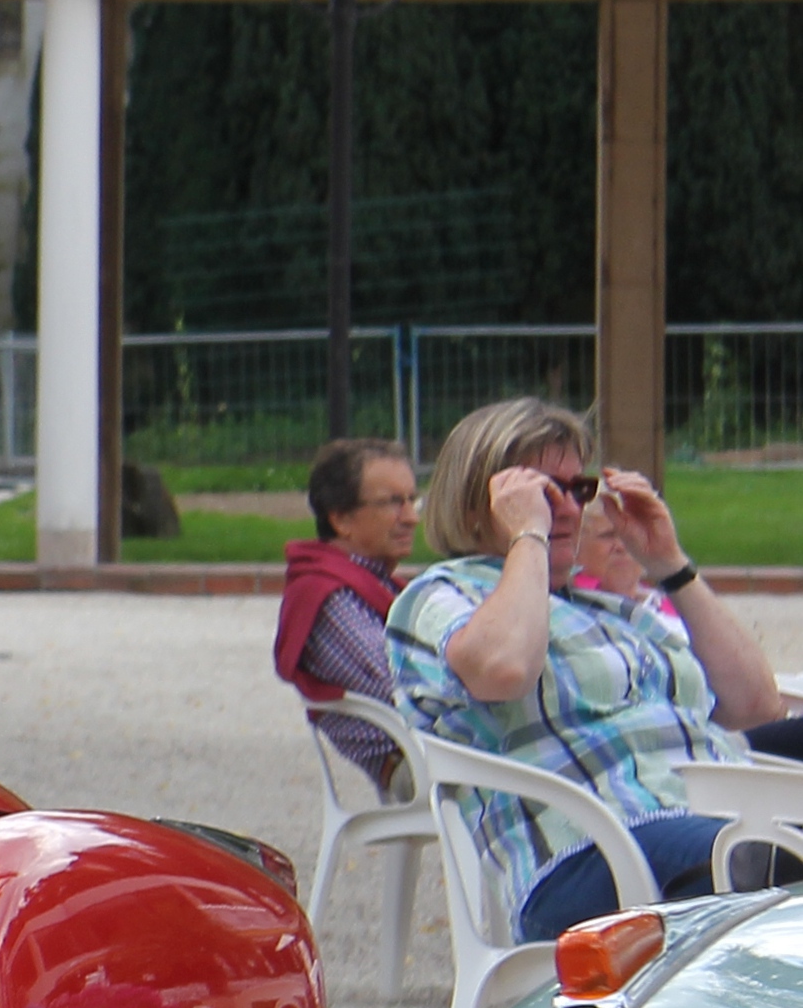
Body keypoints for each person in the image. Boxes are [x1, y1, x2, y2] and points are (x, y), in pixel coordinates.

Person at [388, 398, 794, 933]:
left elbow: (753, 704)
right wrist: (526, 537)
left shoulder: (614, 610)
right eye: (538, 491)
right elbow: (505, 668)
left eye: (576, 490)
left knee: (767, 848)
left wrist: (669, 565)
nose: (566, 507)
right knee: (770, 857)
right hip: (587, 854)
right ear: (473, 505)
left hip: (708, 823)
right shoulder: (441, 595)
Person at [275, 437, 418, 778]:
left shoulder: (372, 582)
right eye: (393, 503)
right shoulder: (329, 596)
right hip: (422, 765)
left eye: (413, 499)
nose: (412, 518)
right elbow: (403, 694)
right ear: (341, 519)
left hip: (435, 755)